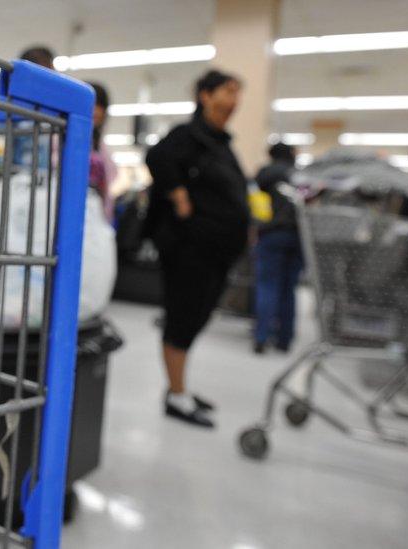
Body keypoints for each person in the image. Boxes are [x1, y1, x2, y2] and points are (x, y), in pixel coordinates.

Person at [144, 69, 249, 428]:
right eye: (228, 91)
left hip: (216, 254)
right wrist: (179, 196)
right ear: (205, 95)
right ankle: (176, 396)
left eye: (238, 93)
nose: (234, 100)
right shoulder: (188, 136)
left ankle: (180, 387)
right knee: (182, 319)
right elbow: (157, 158)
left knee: (196, 320)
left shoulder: (220, 143)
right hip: (190, 249)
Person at [252, 143, 303, 354]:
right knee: (289, 288)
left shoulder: (265, 175)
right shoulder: (300, 176)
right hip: (299, 236)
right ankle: (284, 340)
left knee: (267, 285)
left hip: (271, 234)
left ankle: (261, 337)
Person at [87, 82, 117, 221]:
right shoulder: (62, 139)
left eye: (100, 106)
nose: (96, 111)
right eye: (93, 104)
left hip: (98, 215)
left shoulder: (101, 146)